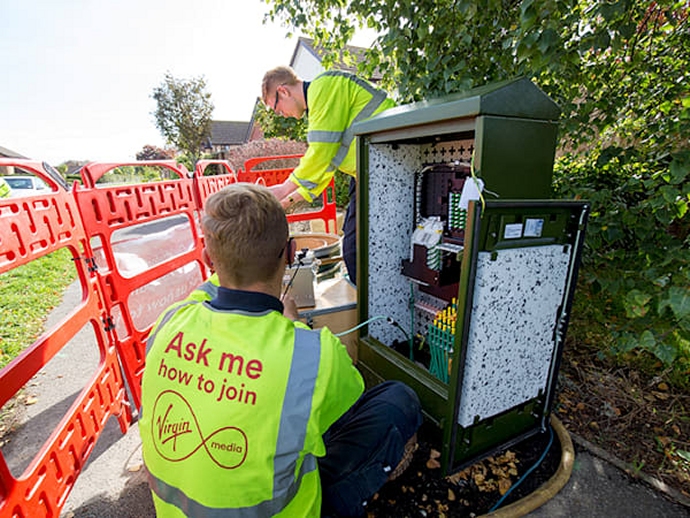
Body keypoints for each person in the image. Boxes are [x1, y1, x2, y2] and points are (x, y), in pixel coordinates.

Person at [139, 183, 422, 517]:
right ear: (290, 253)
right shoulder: (313, 354)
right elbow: (345, 408)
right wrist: (295, 325)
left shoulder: (171, 320)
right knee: (397, 400)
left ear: (207, 260)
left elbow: (213, 288)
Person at [261, 66, 395, 285]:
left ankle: (374, 309)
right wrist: (287, 202)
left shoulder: (324, 87)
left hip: (383, 168)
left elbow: (320, 154)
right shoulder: (320, 101)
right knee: (353, 245)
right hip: (368, 172)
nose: (280, 114)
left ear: (283, 91)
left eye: (276, 108)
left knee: (355, 250)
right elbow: (325, 166)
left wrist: (284, 188)